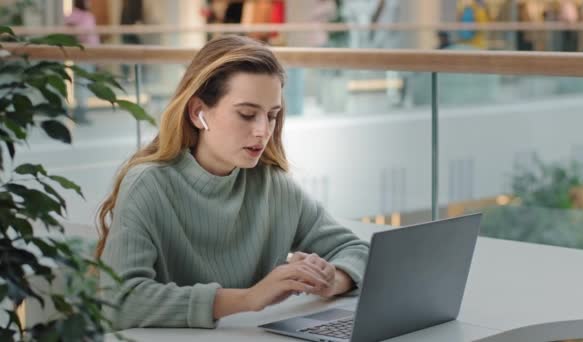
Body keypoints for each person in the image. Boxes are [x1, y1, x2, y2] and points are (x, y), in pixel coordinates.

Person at [96, 35, 369, 329]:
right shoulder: (148, 185)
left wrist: (332, 280)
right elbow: (120, 302)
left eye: (272, 116)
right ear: (198, 112)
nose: (263, 131)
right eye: (247, 114)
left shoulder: (272, 185)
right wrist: (249, 298)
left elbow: (359, 252)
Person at [64, 0, 99, 124]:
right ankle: (81, 113)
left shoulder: (70, 17)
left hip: (76, 54)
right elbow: (91, 37)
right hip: (87, 54)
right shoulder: (87, 17)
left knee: (79, 84)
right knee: (83, 84)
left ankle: (79, 112)